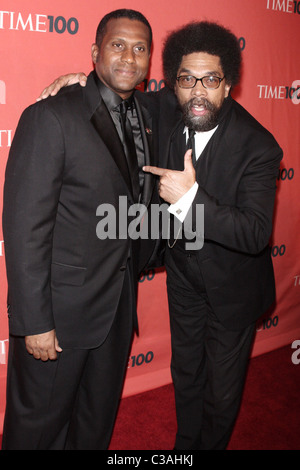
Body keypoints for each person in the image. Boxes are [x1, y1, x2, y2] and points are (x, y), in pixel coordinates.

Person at [35, 21, 283, 450]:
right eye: (187, 79)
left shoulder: (259, 146)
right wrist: (81, 80)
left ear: (229, 86)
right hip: (184, 278)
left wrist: (189, 200)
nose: (198, 91)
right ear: (174, 83)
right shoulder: (170, 108)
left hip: (233, 287)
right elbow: (118, 90)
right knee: (186, 376)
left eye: (211, 79)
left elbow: (256, 233)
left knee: (220, 394)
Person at [2, 9, 157, 450]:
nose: (129, 57)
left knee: (94, 423)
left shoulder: (148, 115)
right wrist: (34, 322)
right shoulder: (50, 117)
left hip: (117, 312)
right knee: (37, 431)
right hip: (59, 318)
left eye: (140, 48)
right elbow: (24, 228)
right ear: (94, 52)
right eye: (117, 45)